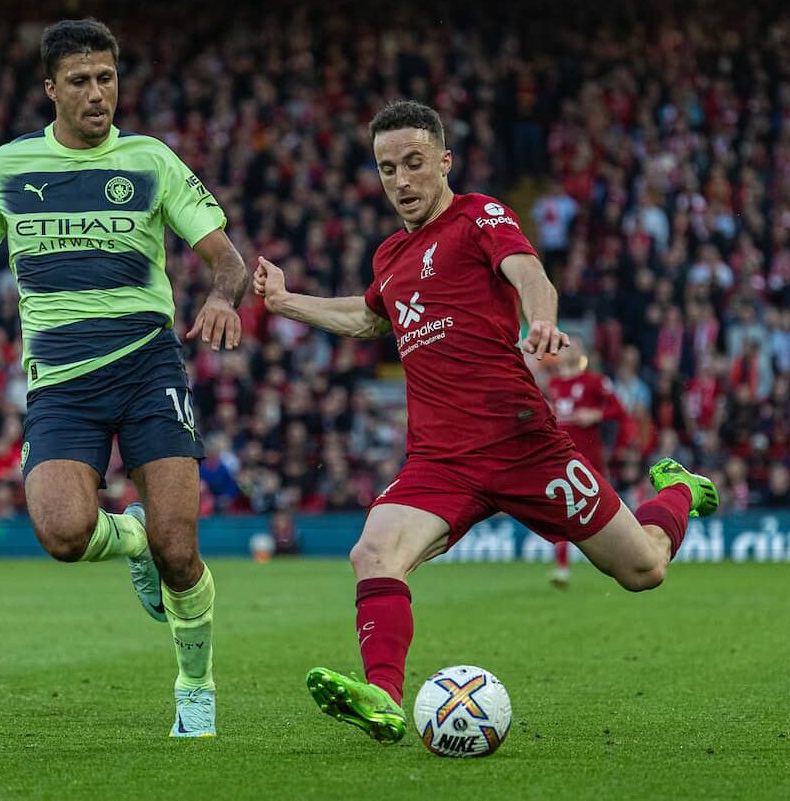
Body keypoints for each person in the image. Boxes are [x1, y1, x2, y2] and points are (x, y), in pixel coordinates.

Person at [253, 100, 718, 744]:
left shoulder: (478, 216)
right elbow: (365, 317)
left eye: (414, 164)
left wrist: (542, 318)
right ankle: (384, 697)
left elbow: (528, 271)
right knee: (373, 552)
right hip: (440, 461)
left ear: (444, 161)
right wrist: (283, 301)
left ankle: (680, 490)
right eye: (388, 169)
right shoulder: (389, 254)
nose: (402, 181)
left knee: (643, 569)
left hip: (524, 445)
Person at [0, 19, 248, 737]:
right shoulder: (7, 168)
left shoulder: (151, 160)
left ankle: (195, 680)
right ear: (50, 89)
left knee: (181, 547)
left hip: (149, 364)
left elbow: (226, 256)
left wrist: (221, 295)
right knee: (63, 534)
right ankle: (127, 538)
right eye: (80, 81)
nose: (98, 94)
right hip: (62, 383)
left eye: (107, 78)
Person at [546, 336, 627, 587]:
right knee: (560, 511)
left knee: (603, 506)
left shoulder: (594, 382)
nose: (570, 350)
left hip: (590, 456)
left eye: (576, 346)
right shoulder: (554, 384)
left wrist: (597, 414)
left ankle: (623, 555)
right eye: (566, 346)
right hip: (561, 457)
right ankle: (562, 567)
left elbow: (619, 410)